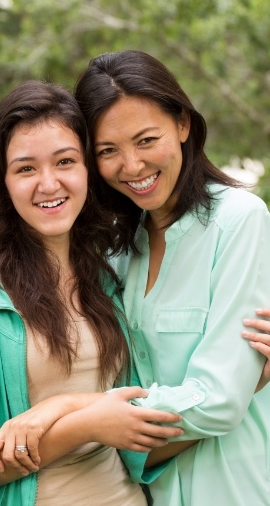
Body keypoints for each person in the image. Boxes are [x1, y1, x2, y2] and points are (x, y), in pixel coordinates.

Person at [0, 81, 185, 506]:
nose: (49, 184)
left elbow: (138, 438)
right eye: (26, 168)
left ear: (86, 169)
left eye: (65, 161)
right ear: (4, 183)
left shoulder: (108, 280)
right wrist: (84, 424)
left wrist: (249, 379)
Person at [72, 50, 270, 505]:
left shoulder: (239, 221)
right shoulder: (119, 247)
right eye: (107, 151)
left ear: (182, 124)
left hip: (233, 489)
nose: (132, 166)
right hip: (144, 493)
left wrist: (78, 420)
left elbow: (220, 401)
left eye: (146, 140)